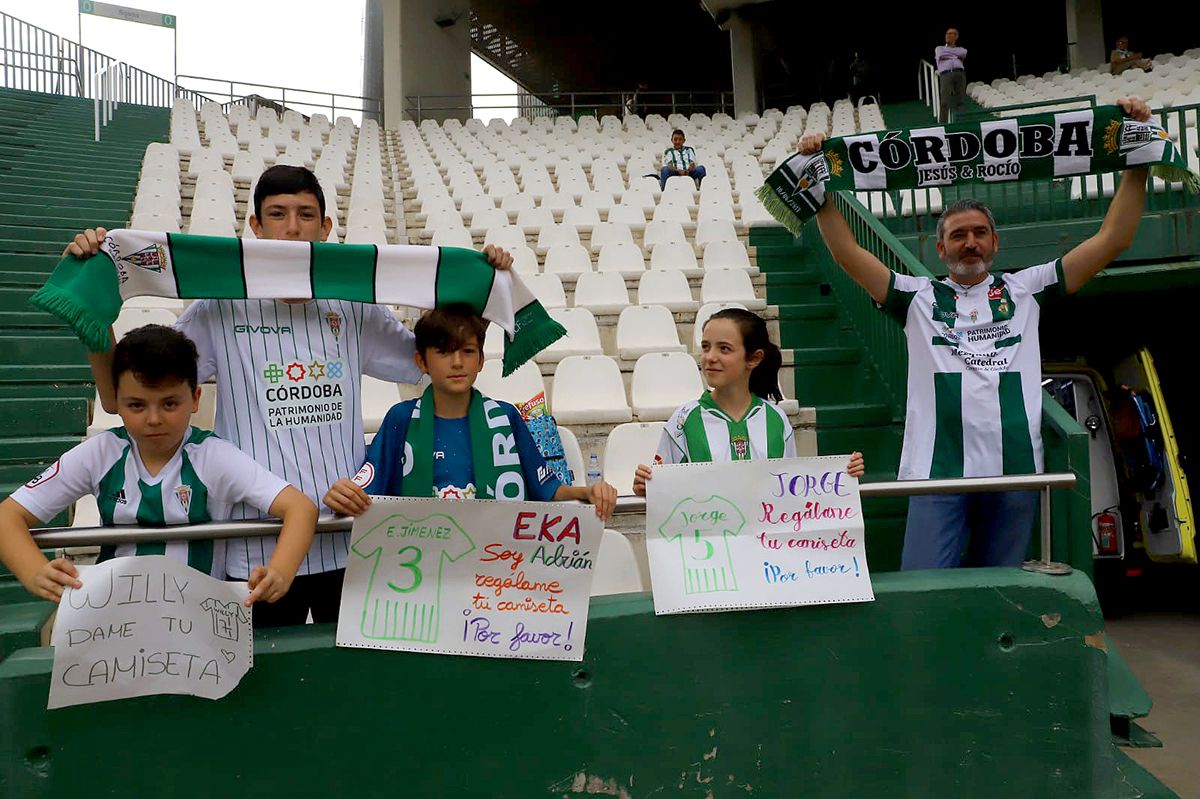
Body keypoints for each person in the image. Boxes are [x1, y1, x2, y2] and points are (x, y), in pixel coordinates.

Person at [65, 164, 514, 627]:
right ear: (255, 228)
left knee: (354, 678)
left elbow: (430, 361)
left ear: (326, 229)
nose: (293, 227)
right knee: (270, 682)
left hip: (349, 530)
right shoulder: (222, 304)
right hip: (257, 541)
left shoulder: (352, 303)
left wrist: (479, 289)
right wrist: (94, 296)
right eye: (277, 215)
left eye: (306, 214)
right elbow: (124, 398)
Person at [794, 96, 1153, 569]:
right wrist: (821, 180)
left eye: (980, 232)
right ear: (940, 247)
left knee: (1002, 596)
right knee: (925, 593)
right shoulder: (917, 296)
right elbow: (846, 254)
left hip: (1016, 472)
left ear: (995, 242)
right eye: (959, 234)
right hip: (936, 473)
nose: (970, 242)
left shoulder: (1028, 288)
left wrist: (1138, 160)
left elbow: (1114, 239)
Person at [0, 325, 317, 606]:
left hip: (198, 628)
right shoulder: (100, 453)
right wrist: (34, 571)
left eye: (170, 404)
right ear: (116, 400)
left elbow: (300, 508)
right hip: (114, 625)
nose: (153, 419)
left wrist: (280, 570)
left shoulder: (214, 457)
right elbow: (6, 517)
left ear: (195, 398)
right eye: (136, 405)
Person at [323, 305, 617, 519]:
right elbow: (366, 488)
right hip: (423, 576)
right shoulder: (400, 419)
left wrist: (586, 492)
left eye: (467, 351)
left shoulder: (506, 418)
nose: (457, 362)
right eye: (444, 351)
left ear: (480, 361)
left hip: (493, 570)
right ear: (421, 361)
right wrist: (343, 495)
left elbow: (546, 488)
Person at [633, 309, 864, 495]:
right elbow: (664, 490)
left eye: (724, 348)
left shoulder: (776, 419)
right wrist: (647, 487)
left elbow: (792, 490)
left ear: (753, 358)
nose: (710, 356)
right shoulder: (684, 419)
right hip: (706, 550)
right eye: (705, 347)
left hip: (766, 551)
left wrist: (843, 476)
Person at [935, 28, 968, 123]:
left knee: (960, 100)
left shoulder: (961, 49)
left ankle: (961, 123)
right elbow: (941, 54)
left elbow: (963, 53)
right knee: (945, 101)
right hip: (946, 74)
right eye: (947, 33)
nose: (948, 35)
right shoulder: (939, 48)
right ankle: (943, 124)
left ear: (956, 36)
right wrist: (955, 56)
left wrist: (948, 55)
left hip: (960, 73)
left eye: (951, 34)